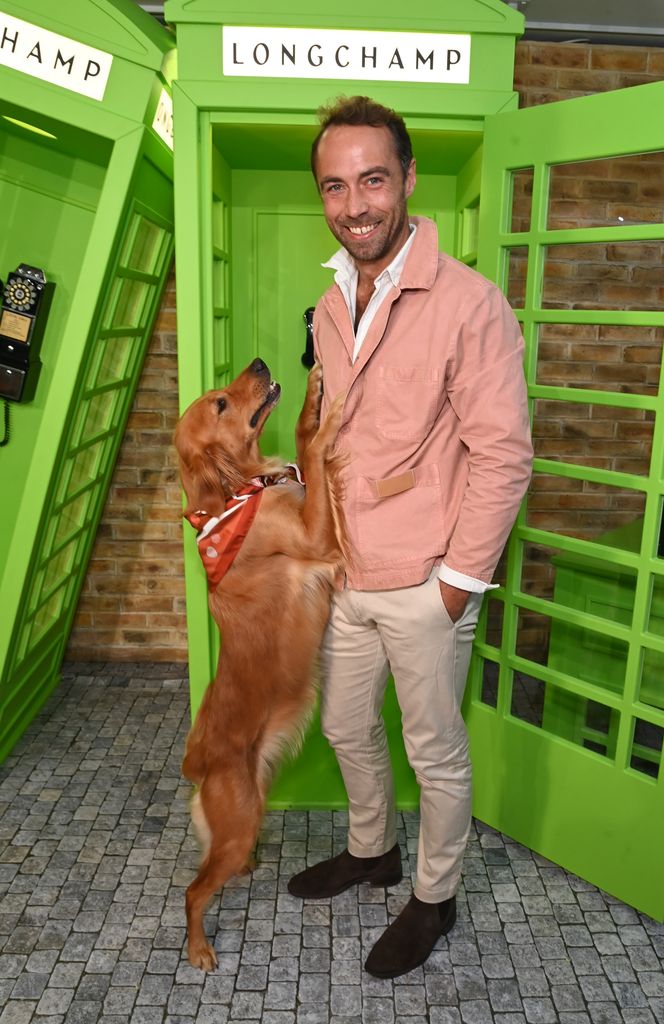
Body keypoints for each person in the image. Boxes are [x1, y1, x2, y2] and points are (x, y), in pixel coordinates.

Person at [287, 95, 533, 979]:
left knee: (435, 753)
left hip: (426, 580)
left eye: (373, 179)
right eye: (335, 185)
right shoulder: (328, 302)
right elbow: (336, 432)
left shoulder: (470, 302)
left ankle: (433, 896)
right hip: (346, 574)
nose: (355, 203)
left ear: (408, 181)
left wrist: (457, 586)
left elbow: (504, 457)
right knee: (348, 727)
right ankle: (371, 850)